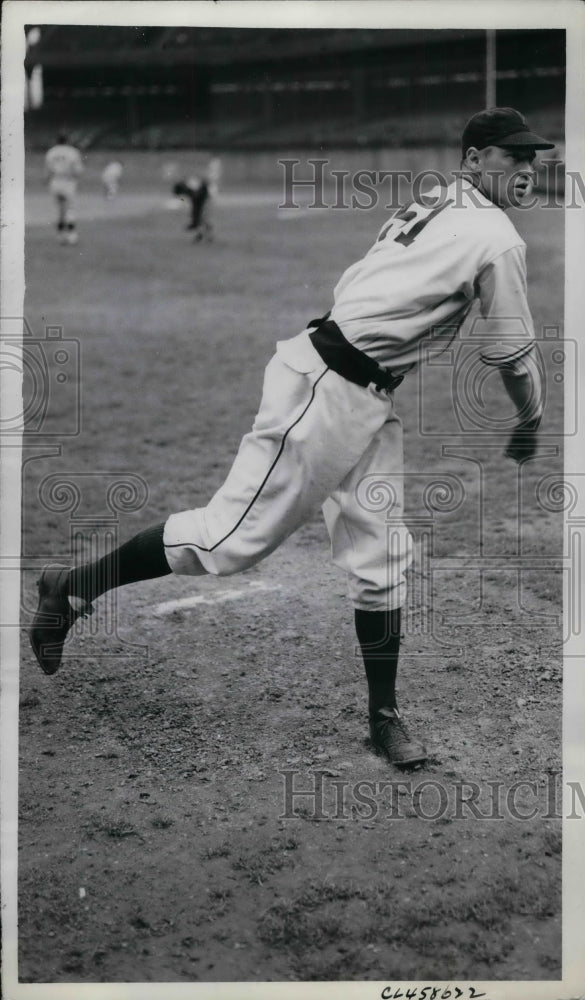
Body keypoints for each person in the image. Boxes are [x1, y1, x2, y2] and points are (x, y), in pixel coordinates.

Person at [30, 108, 553, 767]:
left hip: (360, 391)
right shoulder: (495, 236)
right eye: (513, 158)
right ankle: (69, 588)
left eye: (534, 160)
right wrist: (530, 417)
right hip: (324, 388)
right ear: (474, 161)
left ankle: (383, 716)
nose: (528, 170)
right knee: (228, 539)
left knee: (381, 555)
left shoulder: (441, 198)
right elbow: (511, 355)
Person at [44, 131, 84, 245]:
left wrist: (47, 180)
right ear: (67, 141)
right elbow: (78, 170)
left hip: (55, 181)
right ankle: (71, 235)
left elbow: (48, 171)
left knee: (59, 210)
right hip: (68, 181)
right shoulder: (72, 152)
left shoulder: (51, 152)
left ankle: (60, 235)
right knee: (70, 209)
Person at [173, 175, 212, 242]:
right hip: (200, 201)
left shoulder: (189, 188)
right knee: (199, 217)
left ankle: (202, 233)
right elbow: (185, 198)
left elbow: (185, 197)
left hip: (201, 201)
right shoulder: (190, 188)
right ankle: (202, 232)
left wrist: (183, 199)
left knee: (199, 217)